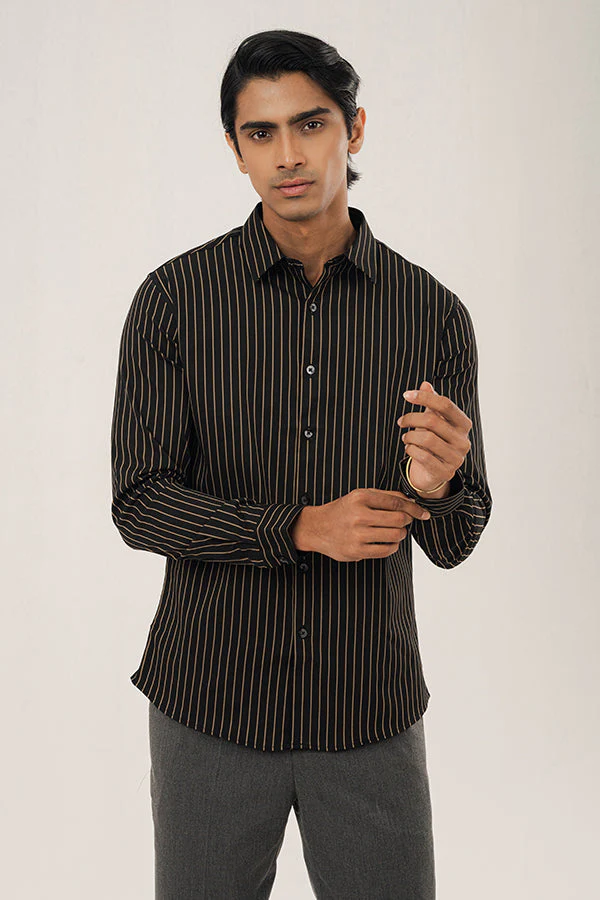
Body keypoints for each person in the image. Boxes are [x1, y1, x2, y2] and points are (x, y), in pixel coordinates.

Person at [110, 28, 492, 900]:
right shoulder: (174, 301)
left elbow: (457, 537)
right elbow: (139, 502)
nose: (288, 154)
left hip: (369, 713)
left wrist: (434, 489)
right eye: (261, 132)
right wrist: (299, 529)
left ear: (353, 129)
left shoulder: (431, 314)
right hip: (210, 705)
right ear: (236, 148)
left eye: (310, 124)